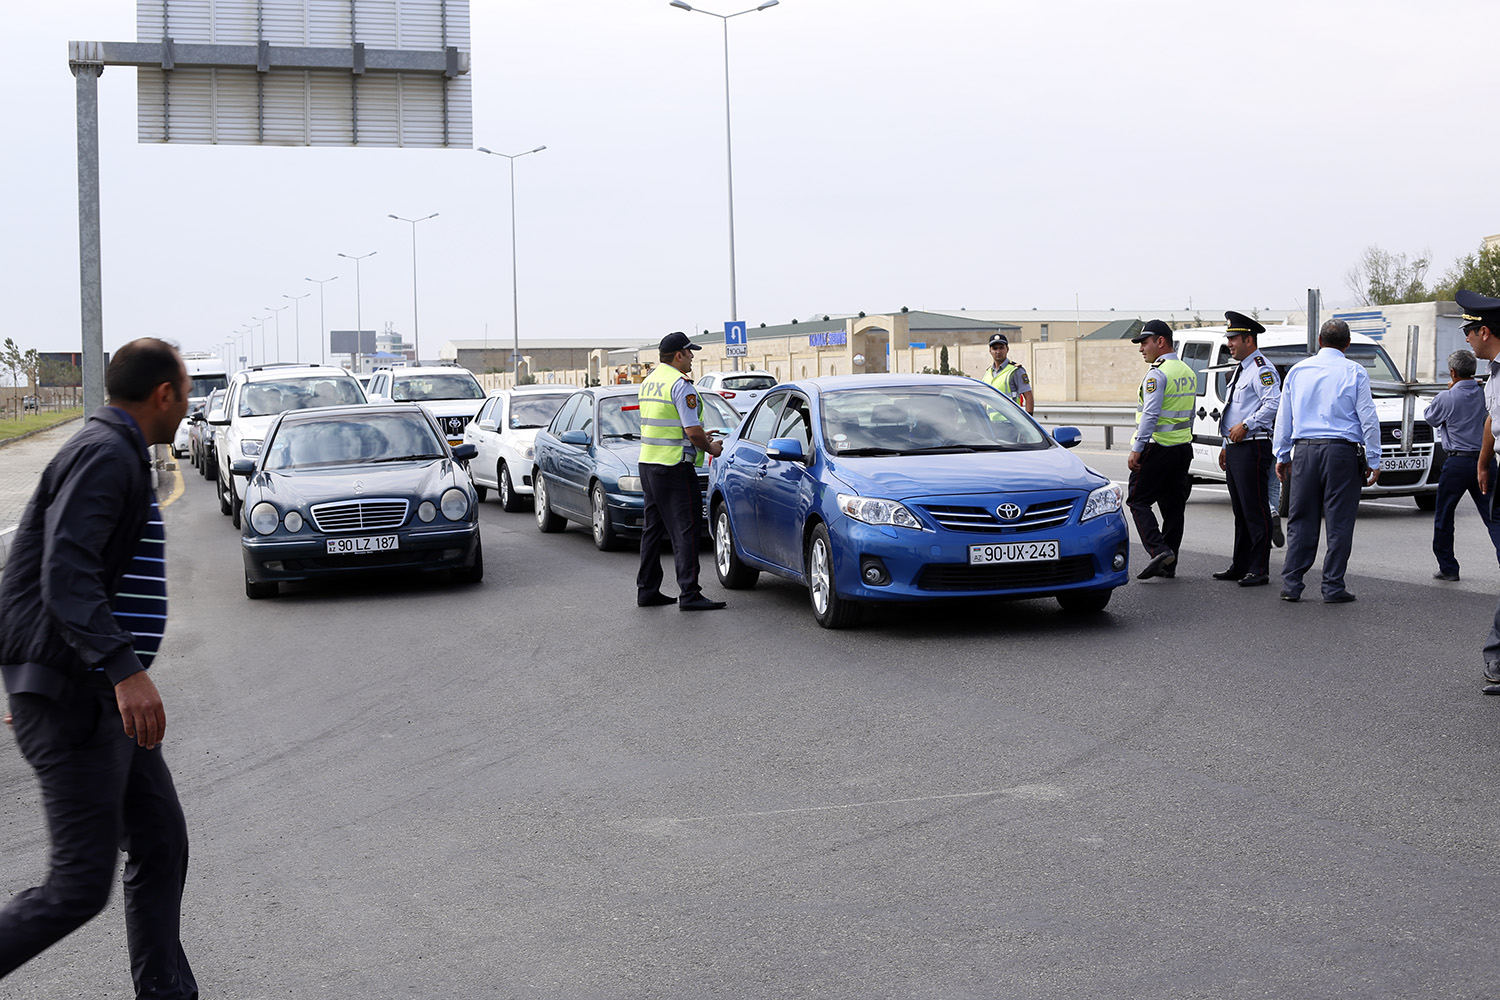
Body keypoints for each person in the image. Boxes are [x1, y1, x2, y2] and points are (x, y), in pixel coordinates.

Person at [0, 339, 197, 997]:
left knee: (160, 837)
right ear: (163, 394)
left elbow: (50, 573)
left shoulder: (114, 452)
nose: (189, 403)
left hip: (94, 693)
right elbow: (65, 573)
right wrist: (122, 671)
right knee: (79, 885)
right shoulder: (105, 455)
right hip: (82, 697)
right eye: (188, 390)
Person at [1271, 318, 1380, 603]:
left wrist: (1282, 455)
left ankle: (1292, 584)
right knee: (1339, 522)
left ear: (1319, 341)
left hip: (1305, 452)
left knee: (1301, 519)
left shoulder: (1298, 371)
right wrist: (1375, 457)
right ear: (1347, 345)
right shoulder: (1355, 371)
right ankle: (1332, 586)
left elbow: (1284, 418)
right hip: (1342, 454)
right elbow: (1368, 417)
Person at [636, 331, 726, 611]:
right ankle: (690, 593)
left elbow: (667, 424)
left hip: (648, 464)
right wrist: (710, 447)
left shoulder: (650, 381)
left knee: (653, 529)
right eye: (689, 353)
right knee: (685, 529)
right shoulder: (681, 384)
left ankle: (647, 589)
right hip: (674, 466)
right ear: (678, 355)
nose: (692, 357)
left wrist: (698, 436)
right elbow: (691, 431)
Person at [1212, 310, 1281, 587]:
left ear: (1249, 340)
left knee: (1256, 509)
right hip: (1238, 447)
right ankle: (1239, 565)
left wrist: (1247, 425)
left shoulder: (1262, 368)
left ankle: (1259, 568)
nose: (1229, 344)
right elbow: (1235, 409)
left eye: (1234, 339)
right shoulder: (1243, 369)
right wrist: (1226, 444)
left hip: (1254, 446)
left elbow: (1273, 404)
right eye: (1229, 338)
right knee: (1240, 510)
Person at [1422, 347, 1500, 582]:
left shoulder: (1448, 396)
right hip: (1484, 460)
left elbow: (1431, 417)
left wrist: (1450, 391)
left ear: (1453, 372)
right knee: (1494, 517)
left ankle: (1448, 567)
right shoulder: (1485, 391)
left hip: (1456, 462)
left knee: (1444, 515)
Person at [1126, 319, 1196, 579]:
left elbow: (1151, 414)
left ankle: (1159, 549)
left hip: (1156, 448)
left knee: (1136, 500)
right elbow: (1189, 414)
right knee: (1173, 506)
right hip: (1181, 448)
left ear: (1160, 341)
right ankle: (1169, 564)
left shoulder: (1158, 372)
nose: (1141, 348)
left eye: (1144, 342)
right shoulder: (1187, 371)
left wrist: (1137, 447)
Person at [1457, 291, 1500, 693]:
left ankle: (1497, 655)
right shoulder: (1494, 372)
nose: (1467, 339)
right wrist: (1484, 463)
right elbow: (1492, 419)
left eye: (1469, 331)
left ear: (1484, 331)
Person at [980, 333, 1034, 413]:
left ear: (1007, 349)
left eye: (1001, 348)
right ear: (990, 351)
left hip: (1011, 422)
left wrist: (1029, 418)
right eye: (995, 348)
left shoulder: (1015, 370)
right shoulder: (988, 373)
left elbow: (1028, 396)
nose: (998, 351)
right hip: (991, 423)